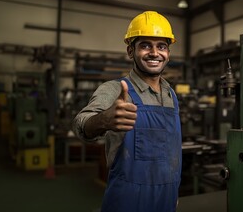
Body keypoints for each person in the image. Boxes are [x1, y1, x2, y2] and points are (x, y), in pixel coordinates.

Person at [73, 11, 182, 212]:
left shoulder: (171, 94)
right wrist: (103, 121)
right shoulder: (115, 89)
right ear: (131, 51)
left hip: (167, 199)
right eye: (145, 45)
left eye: (161, 46)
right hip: (128, 202)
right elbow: (81, 123)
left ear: (168, 53)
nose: (154, 53)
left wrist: (171, 193)